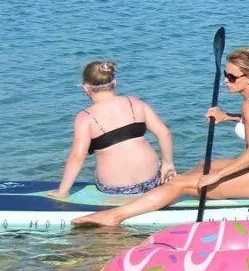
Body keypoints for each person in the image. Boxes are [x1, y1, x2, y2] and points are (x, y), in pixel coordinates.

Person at [74, 44, 249, 227]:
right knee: (203, 165)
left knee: (181, 183)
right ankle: (164, 195)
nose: (226, 80)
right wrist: (227, 116)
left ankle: (115, 216)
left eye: (232, 77)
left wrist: (217, 176)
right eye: (225, 74)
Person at [49, 60, 177, 199]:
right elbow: (164, 133)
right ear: (114, 83)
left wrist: (62, 191)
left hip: (115, 188)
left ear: (86, 88)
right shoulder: (135, 102)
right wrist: (168, 164)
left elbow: (77, 157)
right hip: (152, 180)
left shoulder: (85, 118)